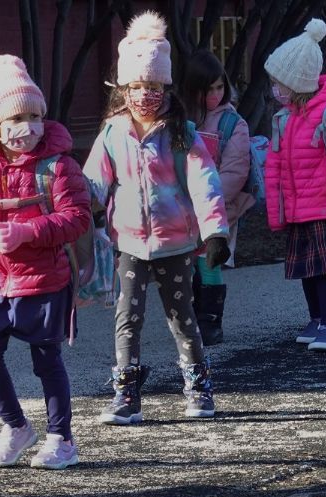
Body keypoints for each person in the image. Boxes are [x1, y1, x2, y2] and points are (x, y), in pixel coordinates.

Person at [82, 12, 231, 426]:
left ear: (165, 88)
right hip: (128, 242)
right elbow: (94, 178)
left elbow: (204, 181)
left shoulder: (181, 132)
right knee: (127, 317)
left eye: (152, 87)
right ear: (124, 89)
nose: (144, 95)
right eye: (136, 87)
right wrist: (80, 201)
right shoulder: (112, 132)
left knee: (181, 317)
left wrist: (216, 231)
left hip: (176, 243)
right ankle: (126, 394)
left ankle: (198, 387)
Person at [0, 55, 90, 469]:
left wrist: (28, 231)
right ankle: (15, 426)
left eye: (34, 116)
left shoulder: (58, 166)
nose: (27, 128)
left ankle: (61, 438)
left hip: (45, 281)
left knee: (46, 361)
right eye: (15, 118)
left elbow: (78, 216)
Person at [264, 19, 326, 351]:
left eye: (280, 84)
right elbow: (274, 165)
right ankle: (317, 319)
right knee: (306, 269)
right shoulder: (284, 118)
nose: (275, 90)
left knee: (324, 269)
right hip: (298, 208)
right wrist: (275, 209)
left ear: (297, 83)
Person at [179, 49, 253, 345]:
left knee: (208, 258)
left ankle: (210, 320)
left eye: (219, 87)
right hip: (182, 205)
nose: (215, 94)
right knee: (184, 262)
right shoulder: (180, 118)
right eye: (208, 89)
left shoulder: (233, 123)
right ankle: (192, 315)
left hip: (218, 204)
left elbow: (235, 171)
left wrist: (207, 201)